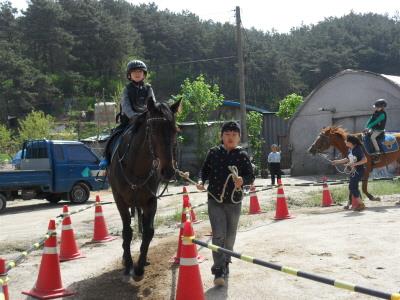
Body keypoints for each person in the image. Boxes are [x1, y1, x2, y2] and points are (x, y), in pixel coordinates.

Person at [196, 121, 255, 287]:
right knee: (218, 235)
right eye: (227, 135)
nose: (230, 138)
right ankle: (218, 269)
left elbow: (250, 176)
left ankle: (226, 260)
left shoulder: (242, 155)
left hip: (234, 202)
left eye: (234, 135)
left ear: (239, 138)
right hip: (215, 200)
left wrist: (242, 181)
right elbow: (203, 171)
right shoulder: (213, 153)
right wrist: (201, 181)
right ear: (221, 136)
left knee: (230, 236)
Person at [99, 60, 156, 168]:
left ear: (144, 74)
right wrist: (133, 116)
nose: (137, 73)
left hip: (146, 120)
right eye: (134, 72)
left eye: (140, 71)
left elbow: (152, 103)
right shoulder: (127, 89)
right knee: (114, 136)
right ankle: (106, 158)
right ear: (129, 75)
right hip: (129, 121)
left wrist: (151, 114)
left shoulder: (149, 88)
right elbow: (125, 106)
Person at [331, 135, 367, 211]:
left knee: (352, 187)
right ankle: (359, 203)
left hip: (359, 171)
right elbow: (347, 159)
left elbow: (365, 160)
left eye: (346, 140)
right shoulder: (351, 149)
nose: (345, 142)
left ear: (351, 142)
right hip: (353, 171)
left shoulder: (358, 149)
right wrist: (336, 162)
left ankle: (360, 204)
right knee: (353, 187)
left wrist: (354, 164)